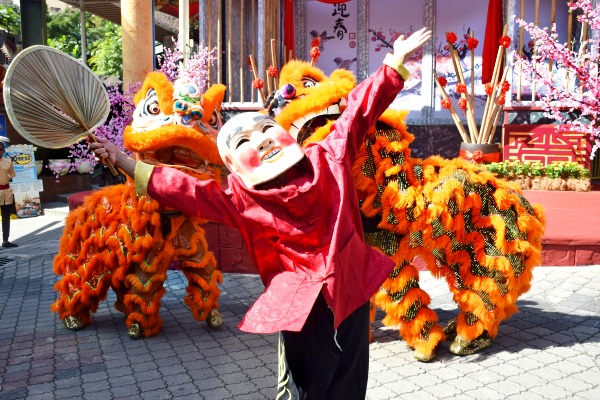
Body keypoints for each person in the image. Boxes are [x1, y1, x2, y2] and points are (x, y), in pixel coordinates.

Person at [90, 26, 431, 400]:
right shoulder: (241, 196)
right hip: (302, 309)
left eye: (266, 128)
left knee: (350, 385)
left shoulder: (327, 159)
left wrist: (393, 63)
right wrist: (124, 160)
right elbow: (186, 190)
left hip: (349, 290)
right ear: (234, 165)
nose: (262, 138)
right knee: (308, 389)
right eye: (243, 142)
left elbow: (357, 114)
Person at [0, 137, 17, 248]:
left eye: (0, 149)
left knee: (6, 217)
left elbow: (12, 175)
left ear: (3, 150)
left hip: (6, 191)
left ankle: (5, 241)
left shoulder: (8, 161)